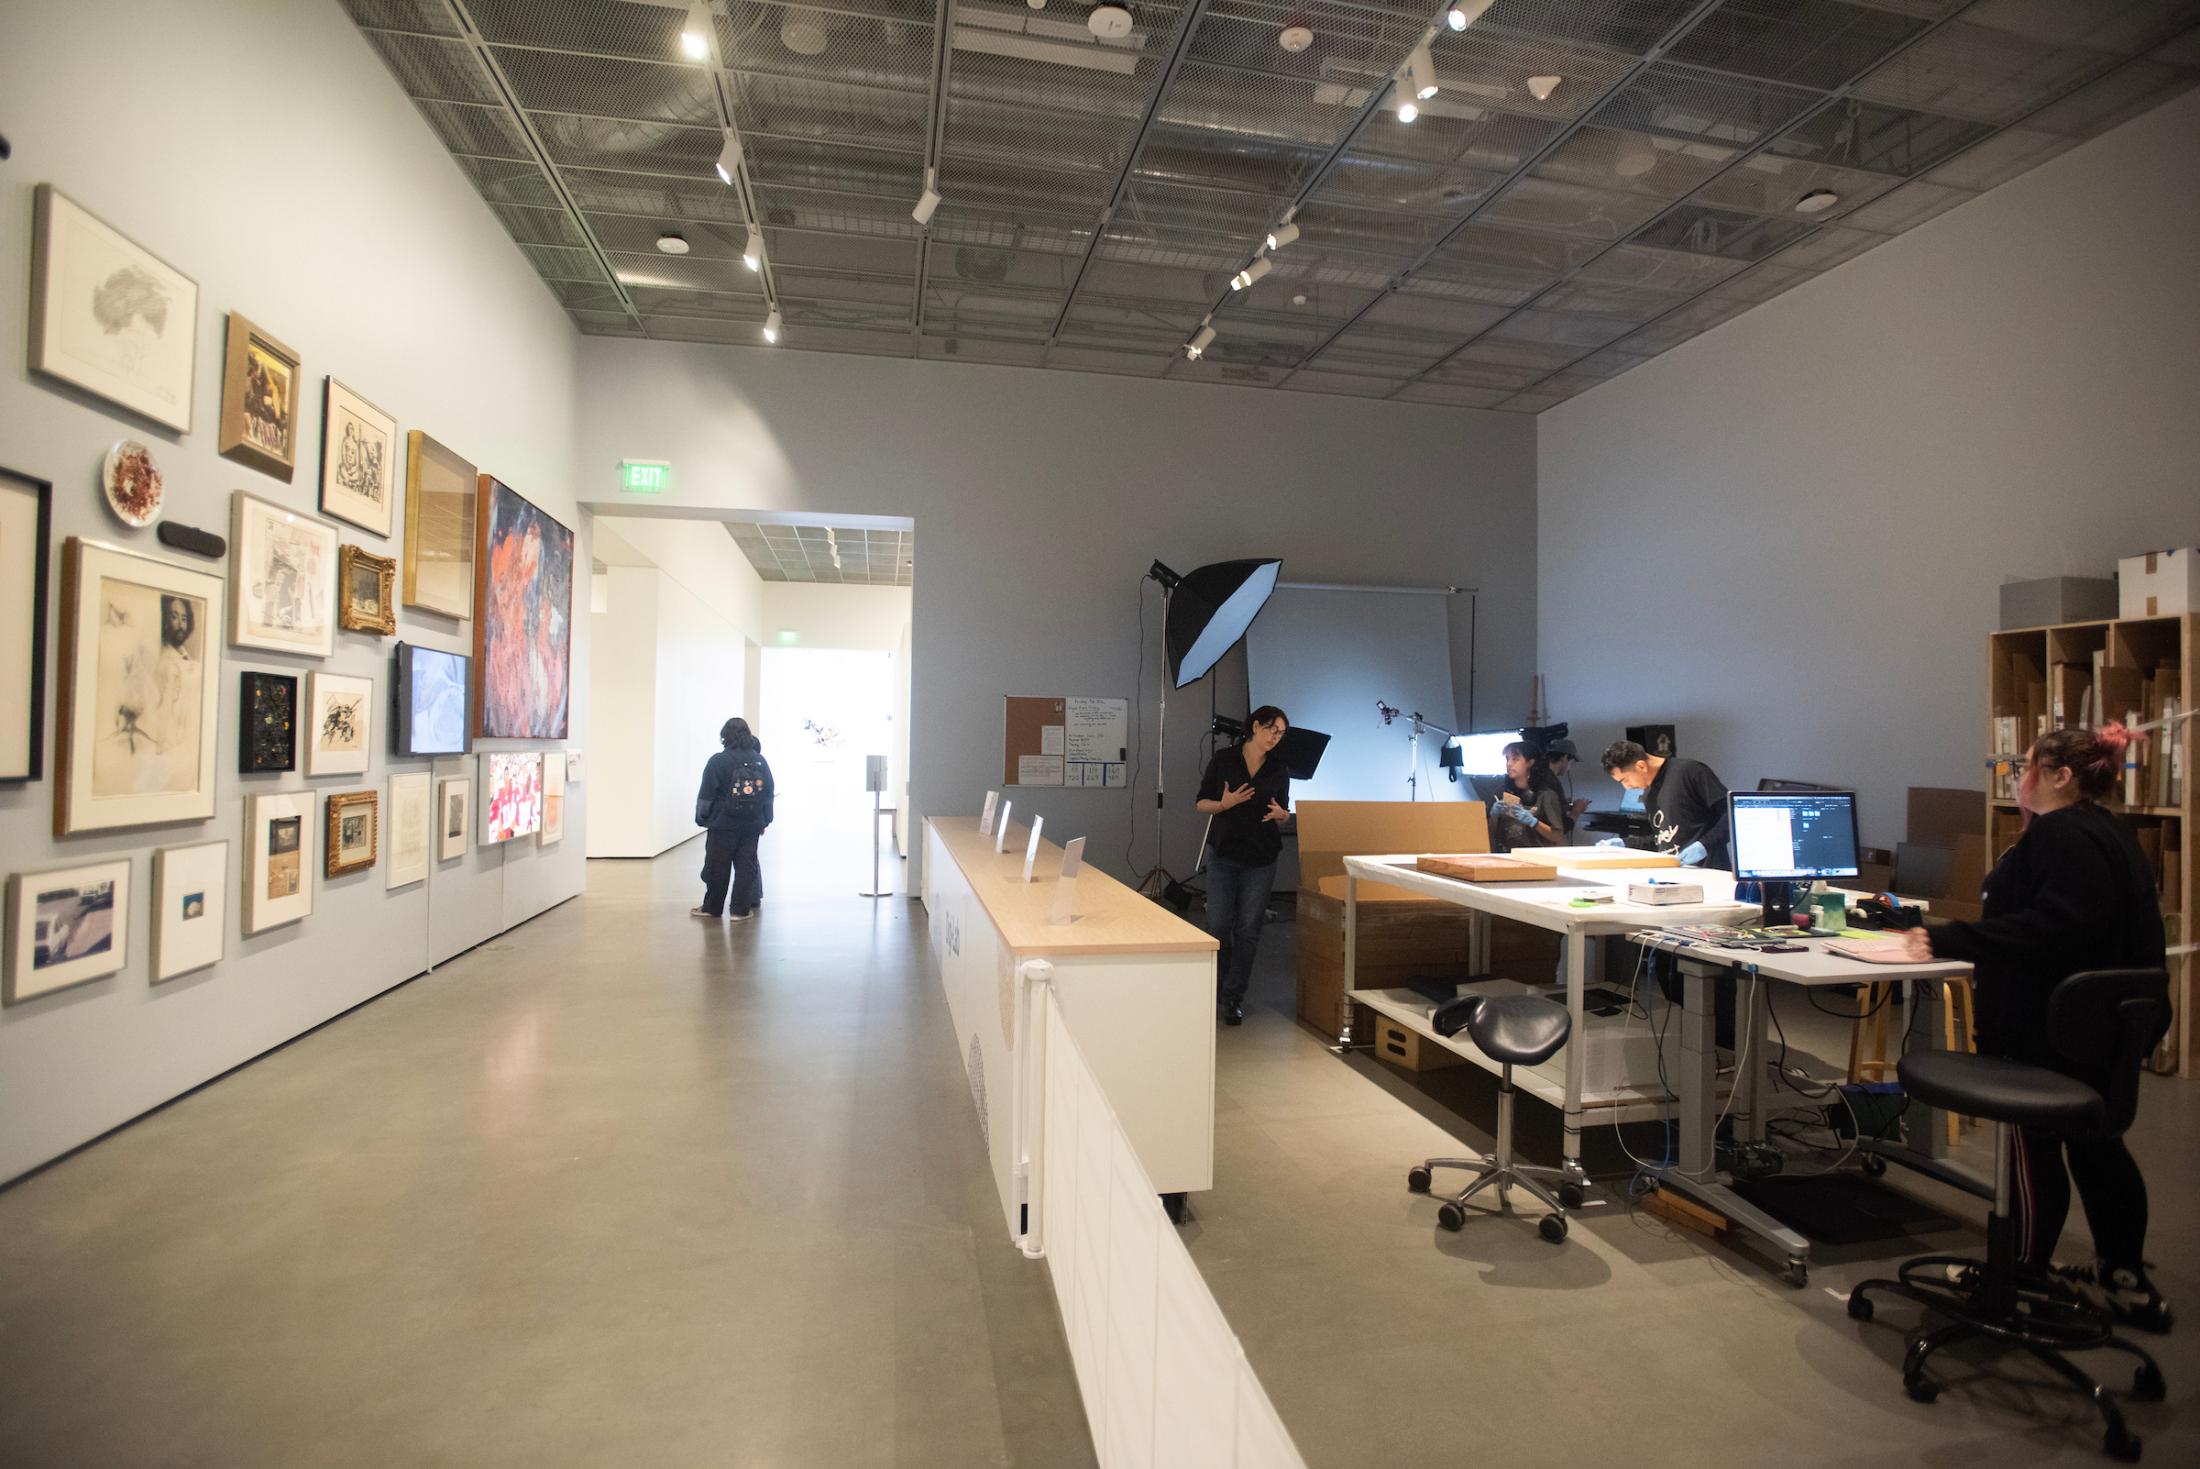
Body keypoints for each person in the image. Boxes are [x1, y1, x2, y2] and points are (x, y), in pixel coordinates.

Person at [1881, 725, 2171, 1331]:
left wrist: (1947, 936)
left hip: (2049, 1033)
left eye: (2027, 765)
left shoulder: (2061, 834)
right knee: (2097, 1145)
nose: (2017, 777)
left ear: (2062, 776)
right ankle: (2125, 1279)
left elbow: (2049, 928)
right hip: (2100, 1032)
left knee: (2032, 1147)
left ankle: (2021, 1271)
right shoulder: (2112, 832)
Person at [1196, 705, 1293, 1027]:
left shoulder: (1279, 768)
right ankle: (1218, 989)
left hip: (1261, 858)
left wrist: (1283, 816)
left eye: (1280, 733)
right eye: (1270, 730)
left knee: (1248, 931)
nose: (1274, 738)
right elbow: (1200, 803)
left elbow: (1283, 809)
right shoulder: (1224, 760)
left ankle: (1234, 997)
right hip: (1224, 855)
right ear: (1254, 726)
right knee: (1219, 926)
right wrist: (1225, 804)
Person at [1601, 739, 1730, 866]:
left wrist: (1705, 845)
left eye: (1625, 779)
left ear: (1641, 766)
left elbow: (1732, 815)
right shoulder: (1649, 794)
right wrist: (1626, 843)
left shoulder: (1690, 772)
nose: (1626, 787)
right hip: (1676, 874)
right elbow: (1661, 840)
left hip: (1710, 871)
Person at [693, 717, 774, 922]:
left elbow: (707, 793)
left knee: (718, 866)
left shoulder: (718, 761)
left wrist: (702, 818)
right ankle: (740, 910)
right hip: (752, 823)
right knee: (746, 866)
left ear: (724, 736)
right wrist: (765, 819)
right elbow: (768, 792)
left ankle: (712, 907)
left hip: (723, 823)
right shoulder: (759, 760)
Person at [1489, 741, 1565, 852]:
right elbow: (1489, 834)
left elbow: (1557, 836)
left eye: (1515, 759)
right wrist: (1493, 816)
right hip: (1506, 856)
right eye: (1507, 759)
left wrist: (1534, 822)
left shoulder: (1545, 795)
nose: (1509, 764)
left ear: (1530, 762)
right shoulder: (1501, 792)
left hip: (1536, 857)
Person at [1544, 737, 1592, 837]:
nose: (1571, 767)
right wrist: (1576, 811)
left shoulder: (1540, 776)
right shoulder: (1553, 783)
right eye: (1572, 762)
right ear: (1564, 758)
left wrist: (1566, 806)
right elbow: (1561, 828)